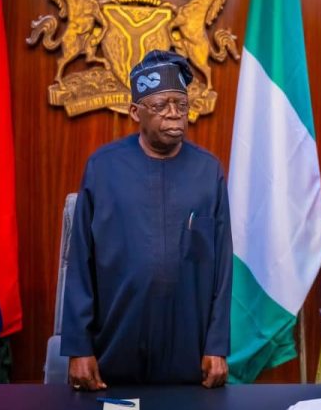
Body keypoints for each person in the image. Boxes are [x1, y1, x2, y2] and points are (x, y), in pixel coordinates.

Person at [60, 50, 233, 391]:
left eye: (181, 104)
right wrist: (79, 347)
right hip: (114, 350)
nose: (174, 114)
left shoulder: (208, 170)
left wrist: (217, 344)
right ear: (135, 112)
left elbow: (223, 266)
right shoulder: (103, 168)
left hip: (190, 351)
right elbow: (80, 261)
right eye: (160, 105)